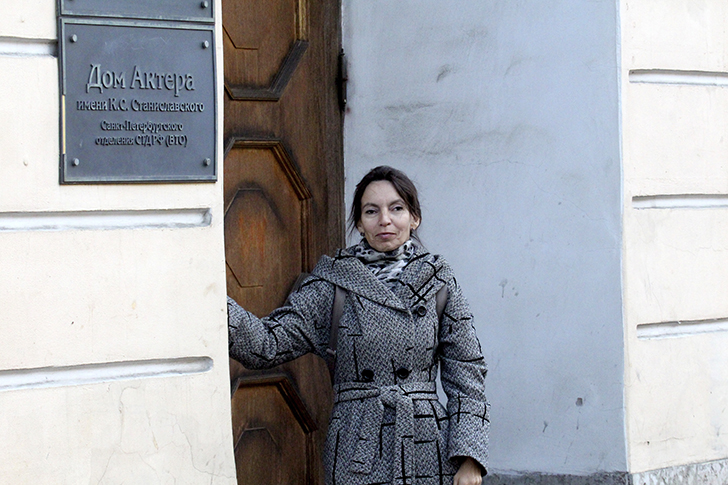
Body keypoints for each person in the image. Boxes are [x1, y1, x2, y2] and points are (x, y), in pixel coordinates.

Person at [228, 166, 489, 485]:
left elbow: (466, 372)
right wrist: (210, 298)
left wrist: (470, 458)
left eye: (396, 208)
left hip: (426, 447)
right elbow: (266, 344)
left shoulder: (438, 282)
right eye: (371, 211)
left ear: (414, 218)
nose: (385, 220)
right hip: (356, 447)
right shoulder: (332, 284)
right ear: (360, 223)